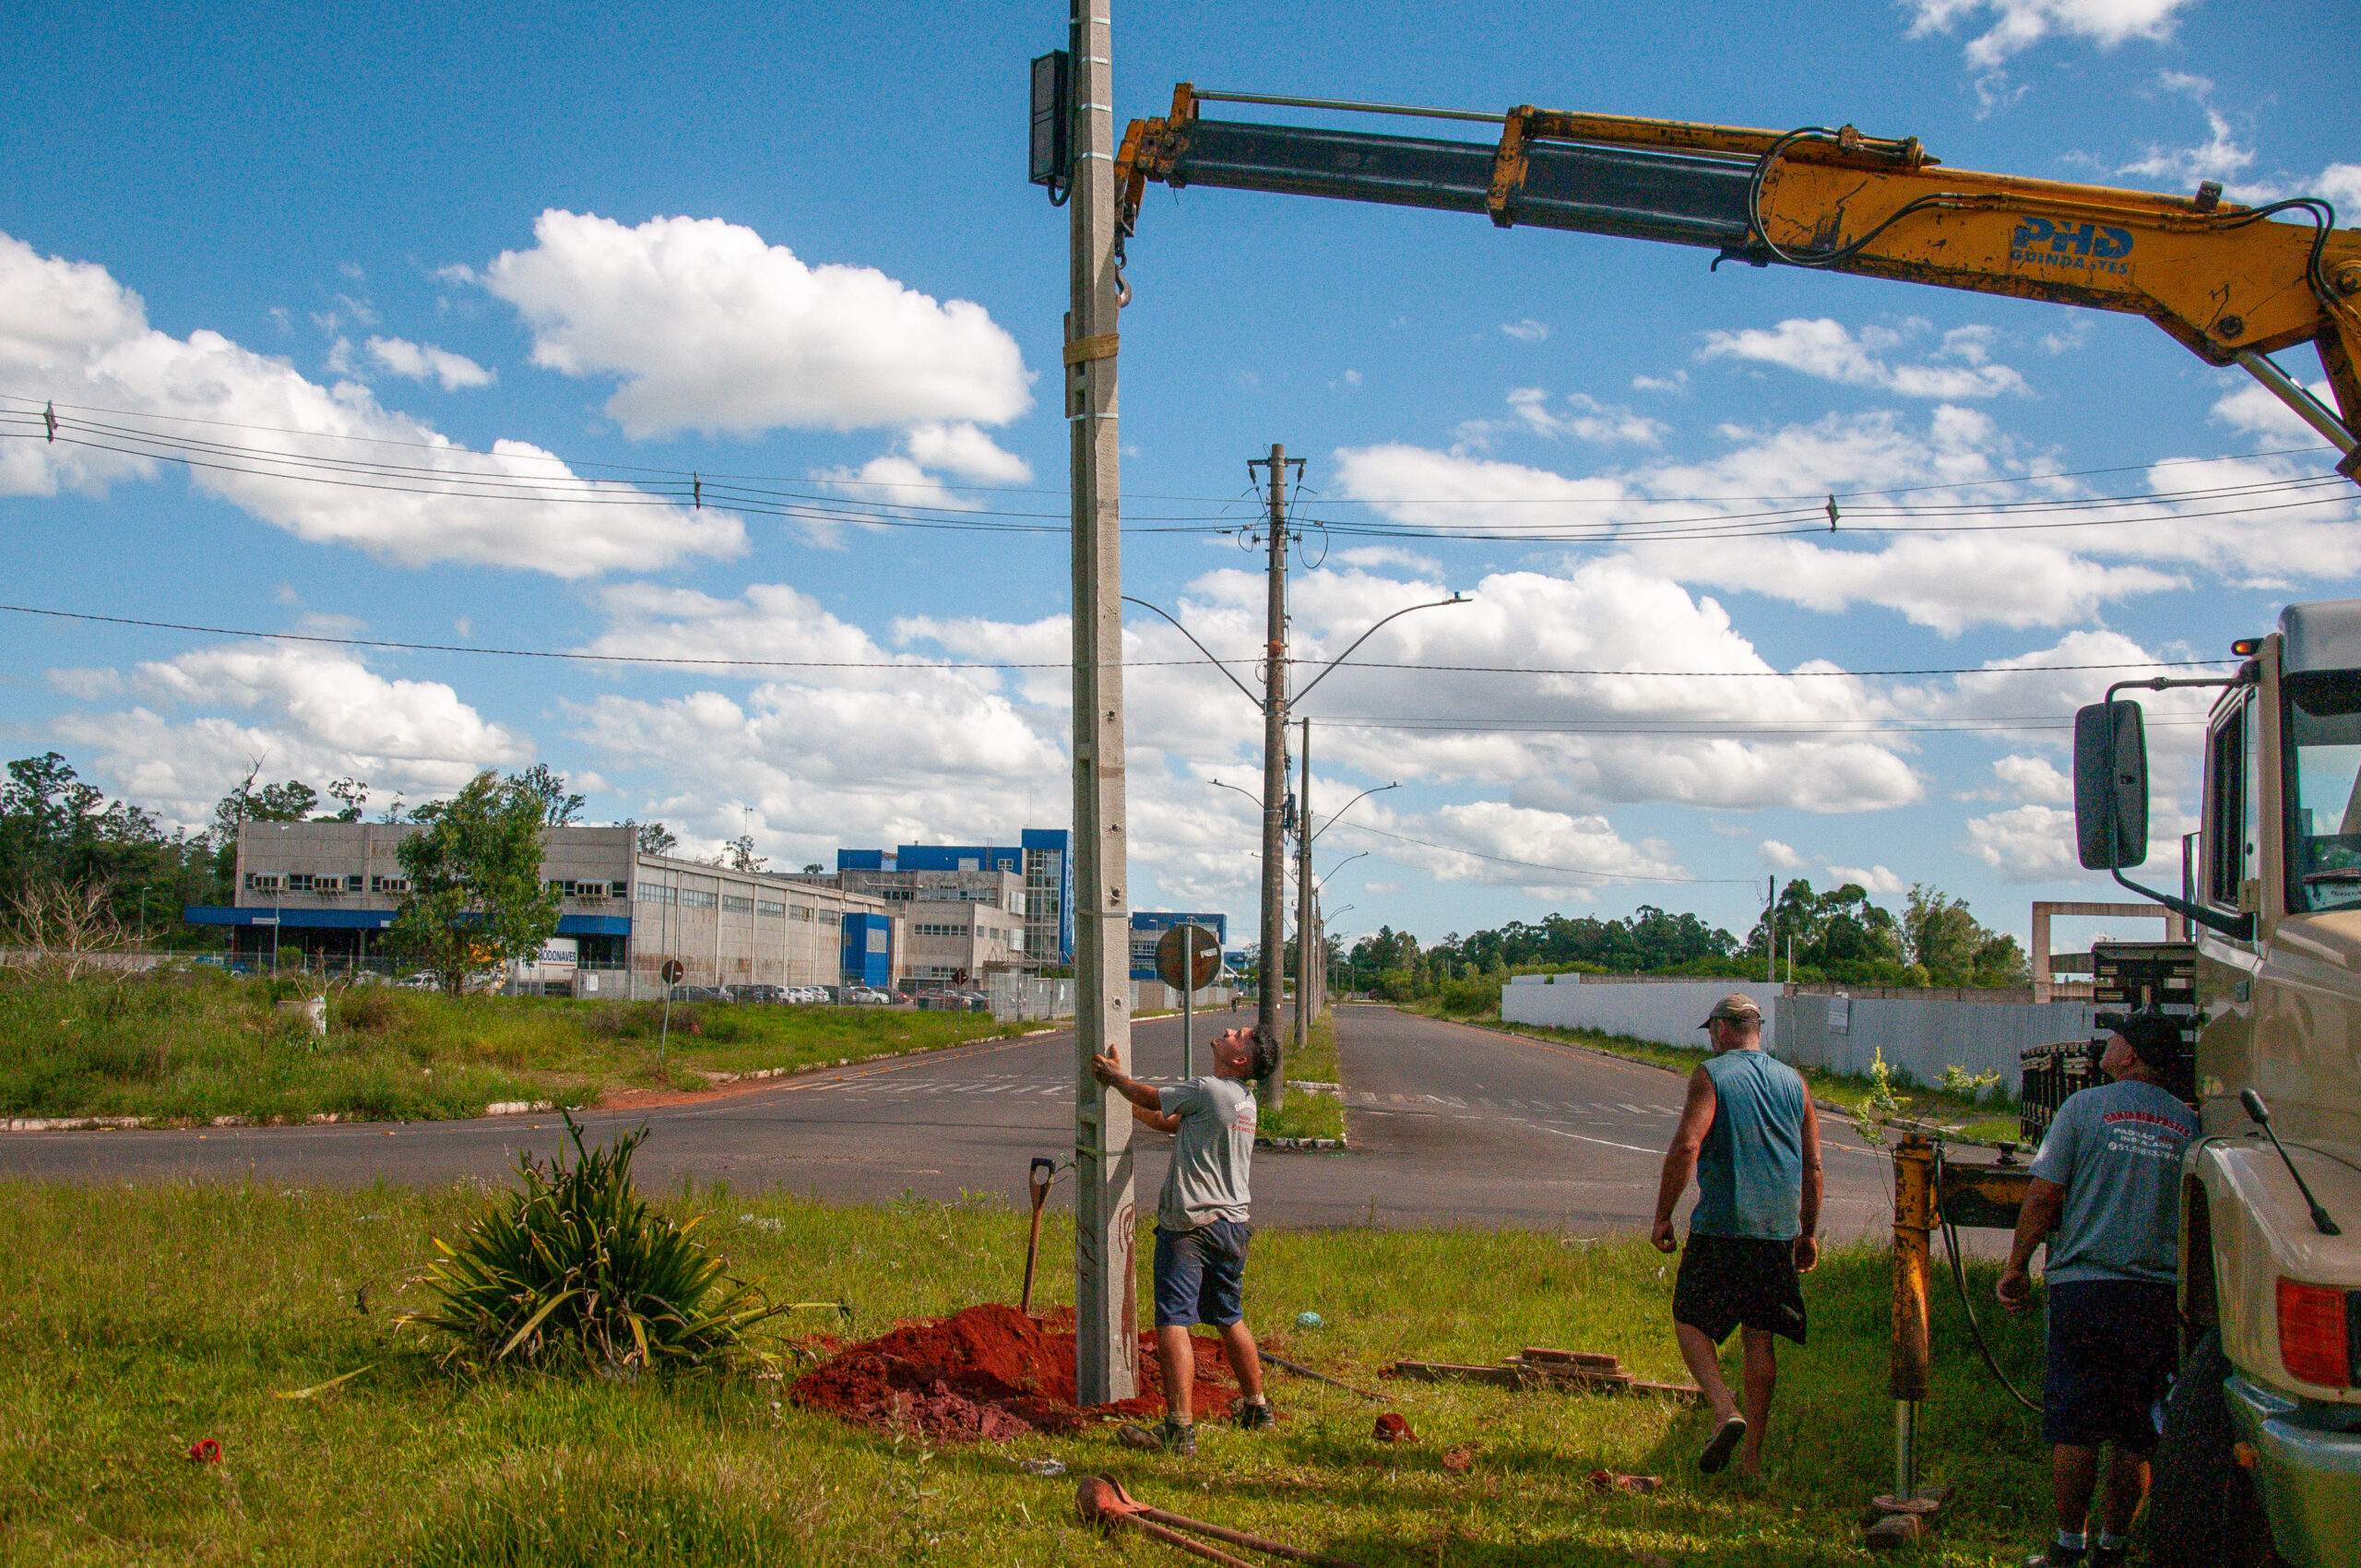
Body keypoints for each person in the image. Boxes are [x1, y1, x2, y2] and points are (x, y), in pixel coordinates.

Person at [1999, 1013, 2197, 1568]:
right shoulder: (2189, 1125)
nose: (2105, 1047)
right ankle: (2113, 1548)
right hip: (2156, 1296)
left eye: (2115, 1040)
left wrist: (2016, 1266)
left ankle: (2068, 1546)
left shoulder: (2083, 1108)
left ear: (2130, 1056)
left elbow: (2044, 1195)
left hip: (2085, 1289)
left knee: (2076, 1424)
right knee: (2137, 1430)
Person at [1650, 992, 1822, 1479]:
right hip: (1777, 1232)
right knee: (1759, 1337)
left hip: (1723, 1226)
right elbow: (1813, 1166)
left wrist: (1663, 1216)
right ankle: (1751, 1463)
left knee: (1689, 1319)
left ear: (1722, 1029)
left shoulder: (1711, 1075)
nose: (1711, 1038)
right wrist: (1807, 1233)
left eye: (1711, 1030)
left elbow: (1687, 1146)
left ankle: (1725, 1410)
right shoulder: (1795, 1083)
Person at [1091, 1024, 1277, 1455]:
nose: (1229, 1030)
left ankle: (1179, 1428)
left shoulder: (1209, 1089)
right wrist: (1124, 1099)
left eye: (1239, 1034)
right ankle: (1257, 1408)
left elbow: (1154, 1099)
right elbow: (1169, 1121)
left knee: (1173, 1319)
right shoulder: (1243, 1102)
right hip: (1231, 1226)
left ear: (1240, 1059)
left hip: (1191, 1227)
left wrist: (1115, 1078)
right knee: (1229, 1316)